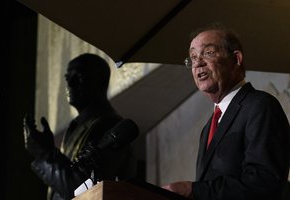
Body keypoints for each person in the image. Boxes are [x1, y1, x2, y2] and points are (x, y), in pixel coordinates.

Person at [162, 24, 290, 200]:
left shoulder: (260, 106)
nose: (198, 63)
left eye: (208, 53)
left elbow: (264, 183)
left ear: (236, 59)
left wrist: (193, 190)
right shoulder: (208, 127)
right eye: (192, 57)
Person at [23, 53, 139, 200]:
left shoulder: (108, 125)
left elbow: (82, 189)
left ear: (100, 81)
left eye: (79, 77)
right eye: (67, 78)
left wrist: (44, 153)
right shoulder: (78, 126)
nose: (70, 84)